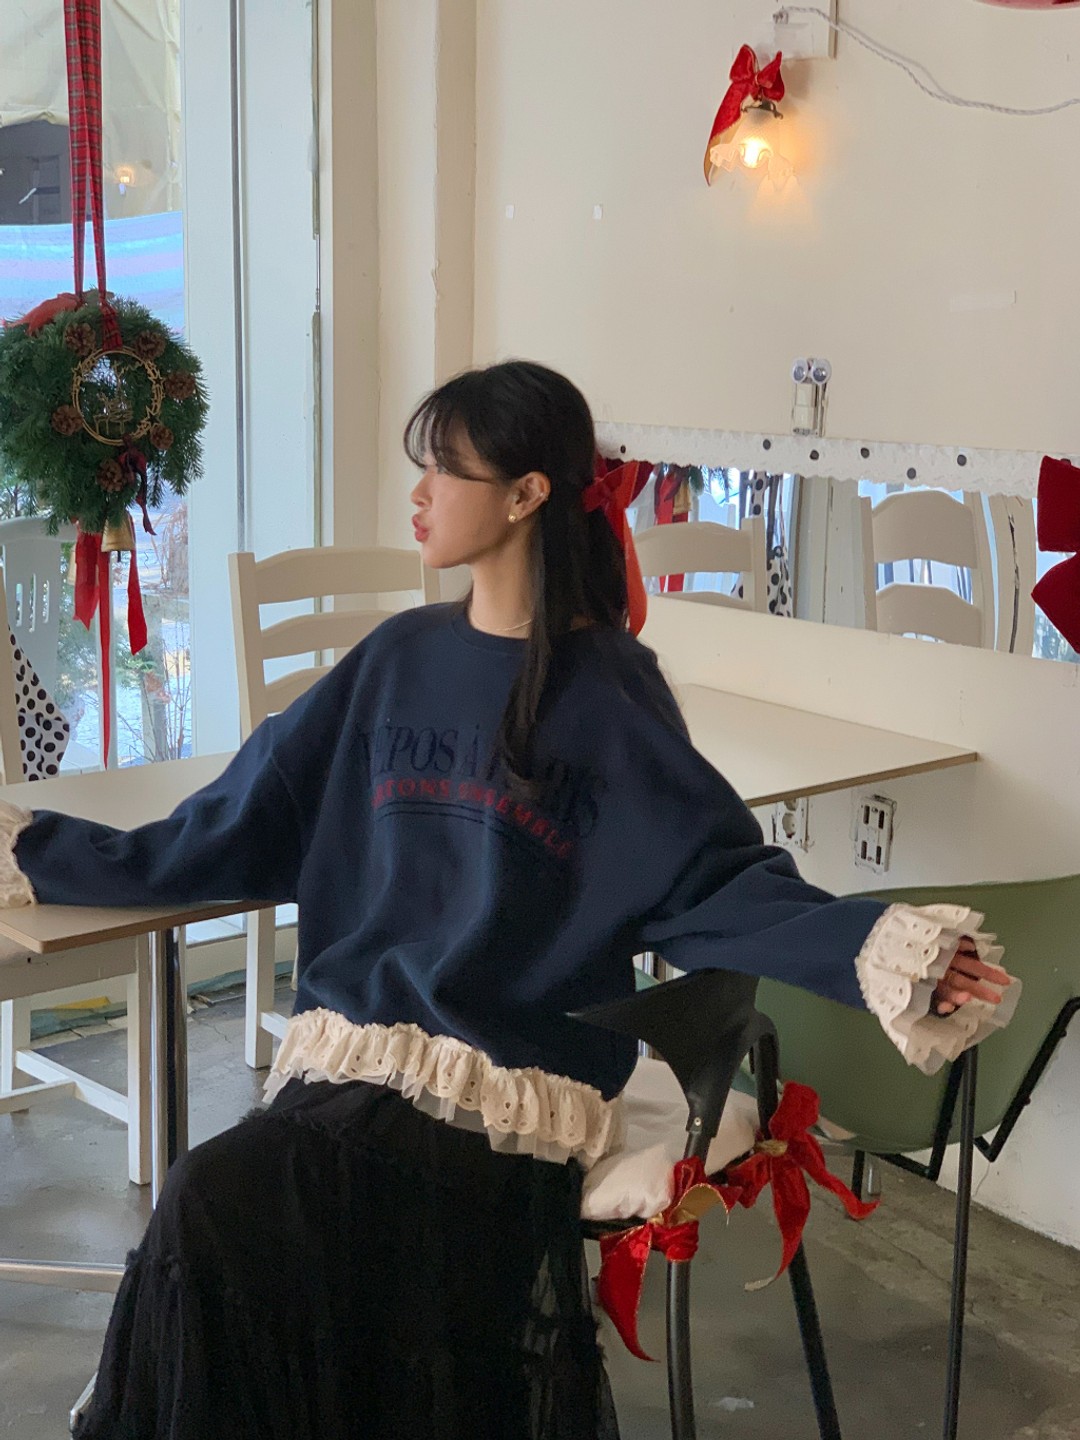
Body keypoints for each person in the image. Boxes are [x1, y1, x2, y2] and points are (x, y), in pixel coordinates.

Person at [0, 361, 1017, 1440]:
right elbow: (242, 818)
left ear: (527, 493)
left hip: (509, 1083)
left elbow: (713, 876)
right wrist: (45, 854)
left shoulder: (609, 692)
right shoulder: (394, 660)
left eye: (445, 469)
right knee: (224, 1213)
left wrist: (885, 949)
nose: (419, 494)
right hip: (363, 1056)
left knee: (223, 1201)